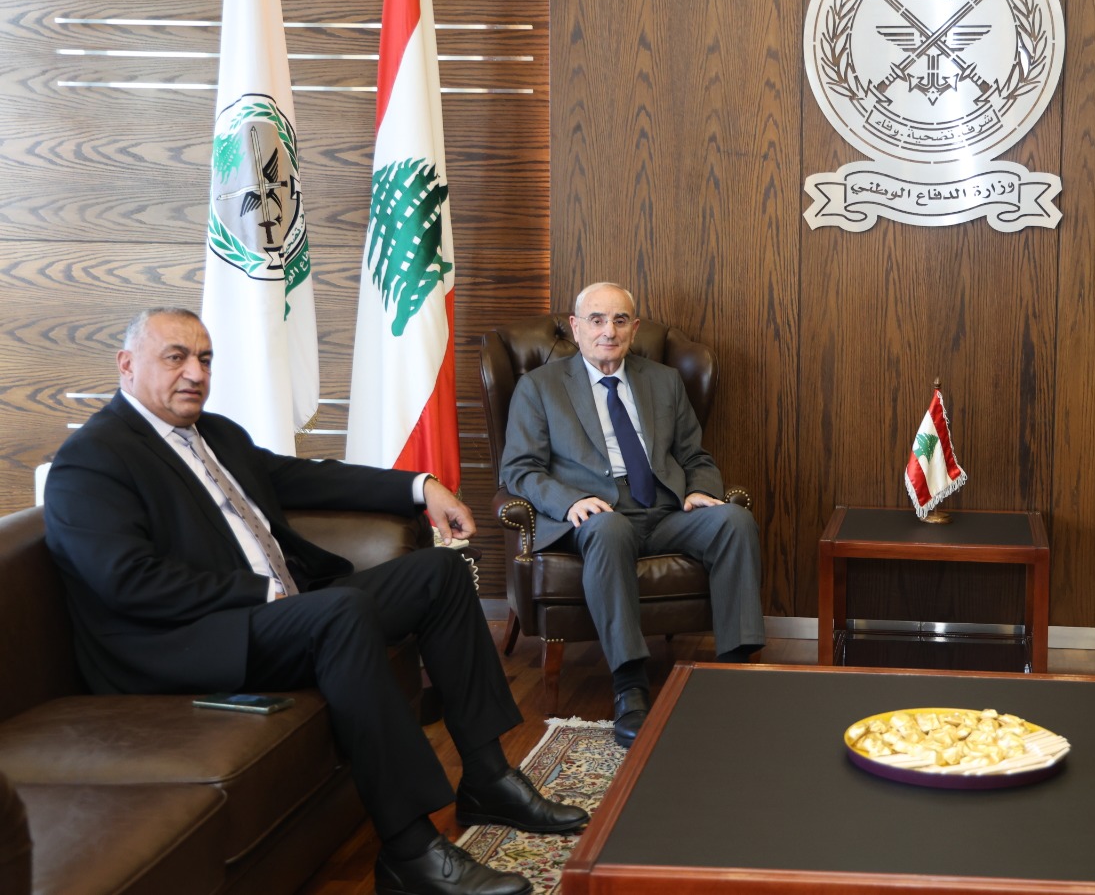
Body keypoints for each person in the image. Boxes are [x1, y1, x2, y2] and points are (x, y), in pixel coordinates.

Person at [44, 307, 586, 895]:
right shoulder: (93, 457)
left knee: (440, 572)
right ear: (127, 365)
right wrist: (263, 591)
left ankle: (488, 778)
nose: (195, 373)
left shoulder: (215, 433)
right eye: (175, 357)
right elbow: (125, 579)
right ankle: (410, 850)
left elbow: (306, 477)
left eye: (204, 359)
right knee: (340, 612)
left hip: (279, 612)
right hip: (191, 638)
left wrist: (421, 486)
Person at [500, 282, 765, 746]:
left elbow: (695, 456)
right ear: (576, 327)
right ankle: (630, 687)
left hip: (665, 509)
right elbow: (519, 470)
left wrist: (701, 490)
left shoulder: (663, 381)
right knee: (608, 529)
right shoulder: (539, 387)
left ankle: (735, 673)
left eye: (620, 320)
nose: (609, 330)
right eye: (597, 320)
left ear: (634, 328)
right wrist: (568, 501)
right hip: (594, 513)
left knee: (734, 521)